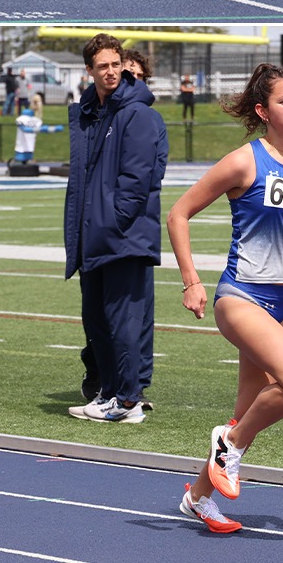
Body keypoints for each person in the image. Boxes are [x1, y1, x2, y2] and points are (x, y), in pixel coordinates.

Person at [166, 63, 283, 534]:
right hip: (242, 296)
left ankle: (198, 497)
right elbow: (178, 213)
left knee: (251, 412)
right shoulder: (244, 161)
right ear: (264, 111)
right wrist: (191, 281)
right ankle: (228, 444)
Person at [63, 34, 168, 425]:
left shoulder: (137, 114)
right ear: (89, 71)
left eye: (115, 64)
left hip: (121, 237)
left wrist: (112, 222)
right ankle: (109, 393)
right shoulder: (93, 113)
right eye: (102, 66)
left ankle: (127, 400)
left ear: (123, 66)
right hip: (95, 237)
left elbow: (137, 179)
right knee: (97, 320)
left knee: (123, 320)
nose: (110, 72)